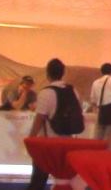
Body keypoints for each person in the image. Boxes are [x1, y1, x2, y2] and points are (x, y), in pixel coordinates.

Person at [27, 59, 80, 190]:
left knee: (38, 179)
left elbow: (39, 118)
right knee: (64, 179)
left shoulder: (46, 93)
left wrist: (31, 138)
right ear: (63, 73)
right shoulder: (73, 91)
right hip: (68, 142)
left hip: (47, 142)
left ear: (48, 74)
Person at [90, 63, 111, 143]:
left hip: (101, 110)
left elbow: (93, 99)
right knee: (109, 137)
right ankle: (107, 150)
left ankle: (96, 149)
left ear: (101, 71)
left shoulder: (95, 82)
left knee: (98, 135)